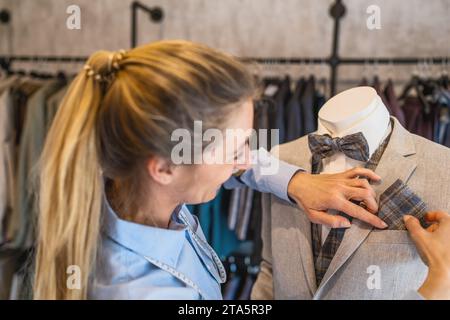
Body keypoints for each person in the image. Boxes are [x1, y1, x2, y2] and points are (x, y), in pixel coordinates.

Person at [33, 40, 449, 299]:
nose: (245, 160)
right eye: (235, 148)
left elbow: (232, 160)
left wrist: (294, 180)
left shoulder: (130, 188)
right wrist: (437, 288)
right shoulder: (142, 289)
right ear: (163, 167)